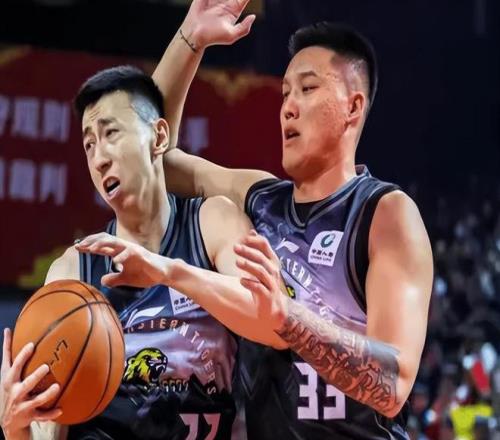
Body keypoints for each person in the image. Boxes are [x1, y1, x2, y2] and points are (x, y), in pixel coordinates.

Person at [84, 1, 432, 438]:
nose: (288, 107)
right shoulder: (260, 199)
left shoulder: (385, 212)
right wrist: (191, 39)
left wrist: (287, 317)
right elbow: (156, 157)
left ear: (353, 106)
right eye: (284, 93)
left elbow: (391, 385)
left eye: (307, 89)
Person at [0, 57, 287, 440]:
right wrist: (15, 428)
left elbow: (274, 324)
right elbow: (44, 433)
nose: (99, 158)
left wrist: (167, 271)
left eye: (111, 133)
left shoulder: (212, 224)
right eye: (89, 144)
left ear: (159, 137)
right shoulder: (73, 272)